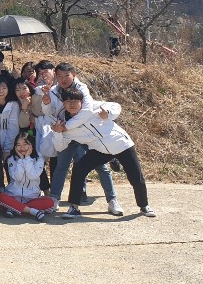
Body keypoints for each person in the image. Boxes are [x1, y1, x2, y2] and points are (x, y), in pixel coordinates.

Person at [53, 89, 156, 218]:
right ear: (63, 104)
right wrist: (57, 133)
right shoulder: (63, 124)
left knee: (136, 175)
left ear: (82, 102)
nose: (72, 104)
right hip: (100, 150)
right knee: (79, 169)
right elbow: (60, 146)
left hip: (121, 144)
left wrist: (108, 113)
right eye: (68, 101)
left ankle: (144, 206)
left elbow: (116, 106)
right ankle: (74, 208)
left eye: (75, 101)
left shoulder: (93, 108)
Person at [42, 62, 118, 213]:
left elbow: (87, 111)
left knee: (100, 166)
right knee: (61, 165)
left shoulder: (82, 88)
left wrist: (66, 126)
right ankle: (54, 199)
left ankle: (112, 200)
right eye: (59, 76)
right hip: (67, 134)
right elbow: (49, 112)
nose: (63, 79)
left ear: (74, 75)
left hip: (85, 133)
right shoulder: (54, 90)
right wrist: (46, 102)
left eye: (66, 76)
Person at [0, 132, 55, 221]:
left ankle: (14, 209)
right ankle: (32, 211)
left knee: (50, 203)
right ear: (15, 146)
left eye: (25, 144)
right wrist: (21, 160)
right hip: (13, 196)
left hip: (32, 198)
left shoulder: (39, 159)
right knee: (0, 197)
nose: (22, 148)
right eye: (18, 145)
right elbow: (18, 177)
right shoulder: (11, 159)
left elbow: (32, 176)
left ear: (31, 145)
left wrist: (27, 158)